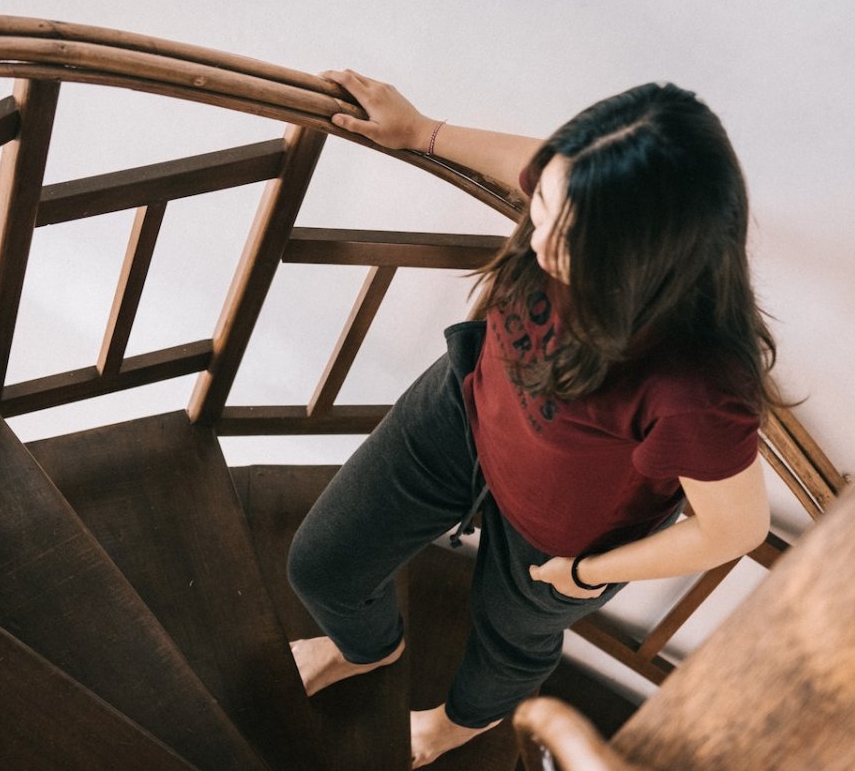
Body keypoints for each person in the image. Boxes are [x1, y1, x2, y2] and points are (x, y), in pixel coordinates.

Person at [287, 69, 777, 768]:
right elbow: (544, 163)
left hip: (566, 537)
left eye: (575, 237)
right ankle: (366, 646)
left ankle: (461, 724)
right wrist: (423, 133)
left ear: (649, 257)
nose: (541, 237)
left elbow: (737, 528)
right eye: (543, 202)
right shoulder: (576, 199)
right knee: (322, 564)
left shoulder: (697, 384)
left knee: (509, 645)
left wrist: (589, 574)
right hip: (463, 409)